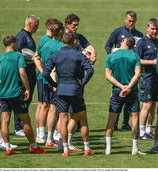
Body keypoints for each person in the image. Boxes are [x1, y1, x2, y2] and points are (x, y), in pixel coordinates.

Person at [0, 35, 48, 155]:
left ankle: (8, 148)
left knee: (5, 121)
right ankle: (33, 146)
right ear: (13, 43)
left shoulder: (0, 59)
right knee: (25, 120)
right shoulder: (18, 55)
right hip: (16, 93)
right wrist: (27, 88)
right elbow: (22, 72)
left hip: (3, 94)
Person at [42, 32, 94, 157]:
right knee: (83, 119)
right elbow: (90, 70)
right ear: (74, 42)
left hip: (61, 91)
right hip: (75, 90)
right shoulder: (78, 55)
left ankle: (65, 150)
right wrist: (82, 83)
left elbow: (45, 73)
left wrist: (54, 85)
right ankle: (87, 148)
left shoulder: (56, 55)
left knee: (63, 119)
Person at [105, 37, 145, 155]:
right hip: (131, 91)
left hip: (117, 91)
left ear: (123, 42)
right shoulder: (135, 56)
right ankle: (135, 148)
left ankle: (108, 149)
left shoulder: (111, 56)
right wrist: (128, 87)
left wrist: (122, 87)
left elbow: (108, 76)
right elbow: (138, 74)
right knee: (135, 119)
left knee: (112, 119)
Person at [105, 11, 143, 131]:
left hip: (133, 67)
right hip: (119, 69)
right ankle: (115, 122)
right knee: (118, 94)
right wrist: (112, 56)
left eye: (133, 21)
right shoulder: (117, 32)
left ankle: (126, 122)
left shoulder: (139, 35)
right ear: (124, 20)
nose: (131, 23)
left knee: (130, 94)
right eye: (129, 20)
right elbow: (107, 45)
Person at [64, 13, 97, 151]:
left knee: (71, 111)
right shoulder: (64, 39)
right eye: (74, 25)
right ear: (67, 25)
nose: (76, 28)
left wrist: (92, 55)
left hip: (76, 79)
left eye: (77, 25)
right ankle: (62, 140)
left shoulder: (79, 37)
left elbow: (90, 48)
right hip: (70, 79)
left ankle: (64, 141)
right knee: (69, 112)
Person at [38, 20, 64, 146]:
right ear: (60, 32)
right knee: (54, 109)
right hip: (56, 81)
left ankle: (46, 136)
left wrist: (43, 72)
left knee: (46, 107)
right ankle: (51, 138)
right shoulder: (60, 46)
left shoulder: (46, 44)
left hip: (44, 79)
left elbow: (37, 58)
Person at [136, 18, 158, 140]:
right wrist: (152, 62)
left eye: (156, 29)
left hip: (156, 77)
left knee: (153, 104)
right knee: (146, 104)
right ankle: (141, 132)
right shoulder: (142, 42)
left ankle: (148, 129)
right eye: (152, 29)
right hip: (146, 77)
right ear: (147, 28)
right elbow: (137, 60)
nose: (154, 31)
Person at [14, 15, 40, 136]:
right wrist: (30, 58)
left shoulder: (28, 36)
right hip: (25, 72)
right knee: (22, 99)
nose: (37, 28)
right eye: (36, 25)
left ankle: (21, 125)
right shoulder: (21, 36)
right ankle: (18, 127)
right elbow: (17, 53)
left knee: (27, 100)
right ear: (30, 24)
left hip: (30, 71)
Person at [34, 18, 58, 142]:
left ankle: (40, 134)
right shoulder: (46, 41)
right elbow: (38, 57)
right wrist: (44, 72)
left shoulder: (45, 40)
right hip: (45, 77)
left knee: (42, 105)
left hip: (43, 76)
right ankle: (42, 134)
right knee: (45, 106)